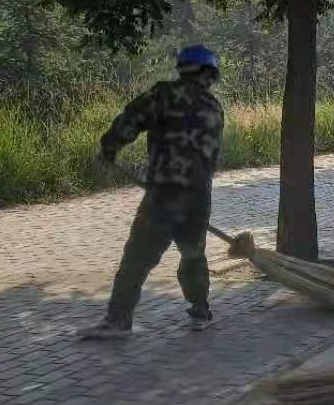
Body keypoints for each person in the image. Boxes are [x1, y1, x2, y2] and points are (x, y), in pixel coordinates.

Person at [79, 45, 225, 339]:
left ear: (184, 69)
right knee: (193, 255)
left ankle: (118, 320)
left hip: (164, 195)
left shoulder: (164, 95)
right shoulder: (214, 108)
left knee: (137, 257)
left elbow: (131, 119)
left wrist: (110, 147)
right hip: (199, 195)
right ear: (208, 74)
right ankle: (200, 311)